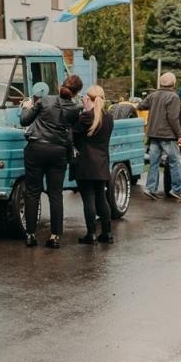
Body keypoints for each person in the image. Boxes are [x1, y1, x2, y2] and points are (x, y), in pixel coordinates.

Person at [18, 74, 83, 248]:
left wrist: (26, 107)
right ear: (77, 92)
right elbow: (73, 129)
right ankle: (54, 237)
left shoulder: (44, 100)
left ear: (62, 85)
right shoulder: (76, 108)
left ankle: (31, 234)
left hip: (36, 149)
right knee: (56, 194)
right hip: (58, 152)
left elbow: (25, 120)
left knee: (32, 192)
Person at [73, 84, 115, 245]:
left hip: (85, 164)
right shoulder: (109, 117)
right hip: (102, 164)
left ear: (88, 99)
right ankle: (107, 232)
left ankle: (91, 234)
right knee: (101, 198)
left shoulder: (85, 117)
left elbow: (73, 135)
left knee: (88, 199)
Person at [141, 72, 181, 202]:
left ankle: (150, 189)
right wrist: (180, 135)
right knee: (176, 162)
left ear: (160, 83)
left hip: (153, 134)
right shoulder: (173, 97)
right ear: (173, 83)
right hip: (168, 136)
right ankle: (177, 190)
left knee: (154, 163)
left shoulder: (153, 95)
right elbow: (173, 119)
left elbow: (141, 105)